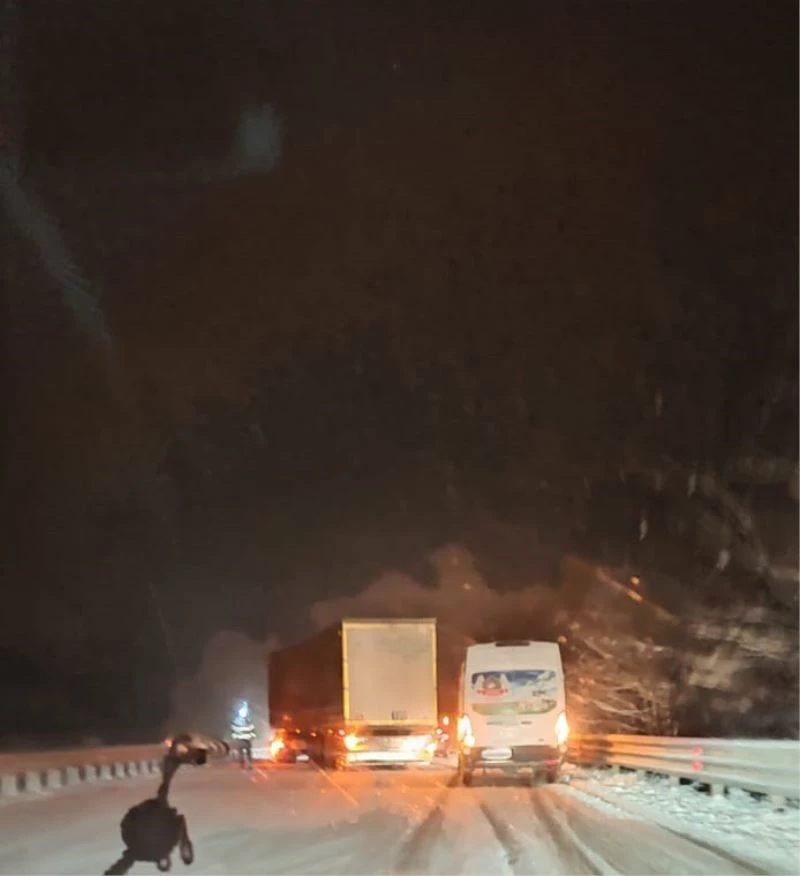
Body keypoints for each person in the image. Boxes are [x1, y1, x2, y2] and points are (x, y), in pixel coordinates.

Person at [230, 702, 256, 769]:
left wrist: (252, 736)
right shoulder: (236, 721)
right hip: (240, 740)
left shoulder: (248, 721)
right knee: (241, 753)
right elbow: (233, 730)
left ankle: (249, 764)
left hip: (247, 740)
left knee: (248, 753)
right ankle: (242, 764)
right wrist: (235, 737)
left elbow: (252, 729)